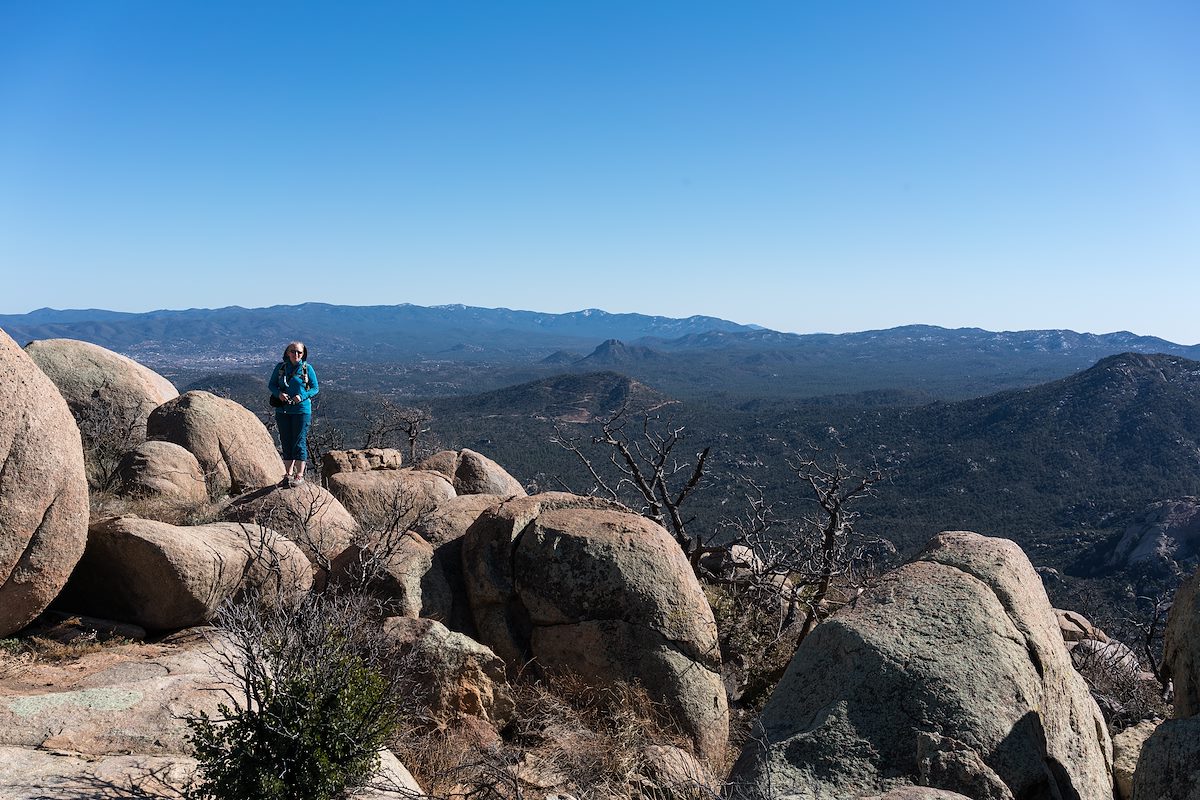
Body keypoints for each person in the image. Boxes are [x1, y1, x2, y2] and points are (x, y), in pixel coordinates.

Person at [268, 340, 318, 486]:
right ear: (287, 352)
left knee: (299, 441)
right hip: (282, 410)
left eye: (299, 352)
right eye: (293, 351)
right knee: (286, 441)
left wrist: (301, 397)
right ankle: (288, 474)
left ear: (303, 354)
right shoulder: (281, 368)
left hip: (301, 411)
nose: (296, 354)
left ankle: (300, 475)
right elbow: (271, 384)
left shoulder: (307, 368)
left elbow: (315, 388)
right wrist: (279, 394)